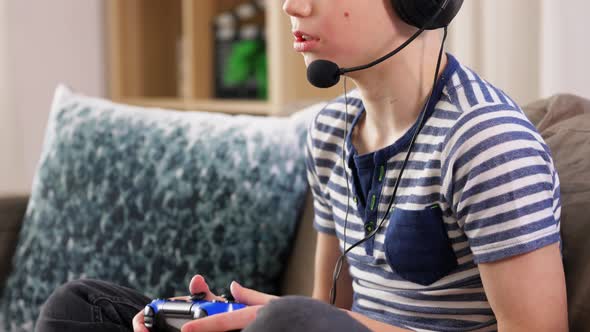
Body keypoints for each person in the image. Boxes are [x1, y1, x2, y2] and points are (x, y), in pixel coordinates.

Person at [36, 0, 569, 331]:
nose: (291, 5)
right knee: (77, 308)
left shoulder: (485, 140)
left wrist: (298, 321)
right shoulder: (330, 131)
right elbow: (328, 308)